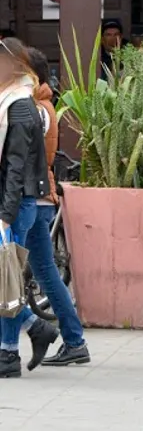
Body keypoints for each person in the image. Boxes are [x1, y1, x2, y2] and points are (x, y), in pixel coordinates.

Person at [24, 48, 89, 367]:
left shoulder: (35, 106)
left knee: (26, 272)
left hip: (31, 197)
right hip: (40, 197)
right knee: (44, 272)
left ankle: (38, 328)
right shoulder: (41, 103)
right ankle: (74, 340)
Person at [0, 37, 60, 377]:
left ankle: (18, 344)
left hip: (18, 202)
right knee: (6, 279)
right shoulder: (9, 101)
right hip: (15, 200)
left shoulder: (20, 105)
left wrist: (6, 215)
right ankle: (13, 349)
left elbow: (17, 164)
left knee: (6, 278)